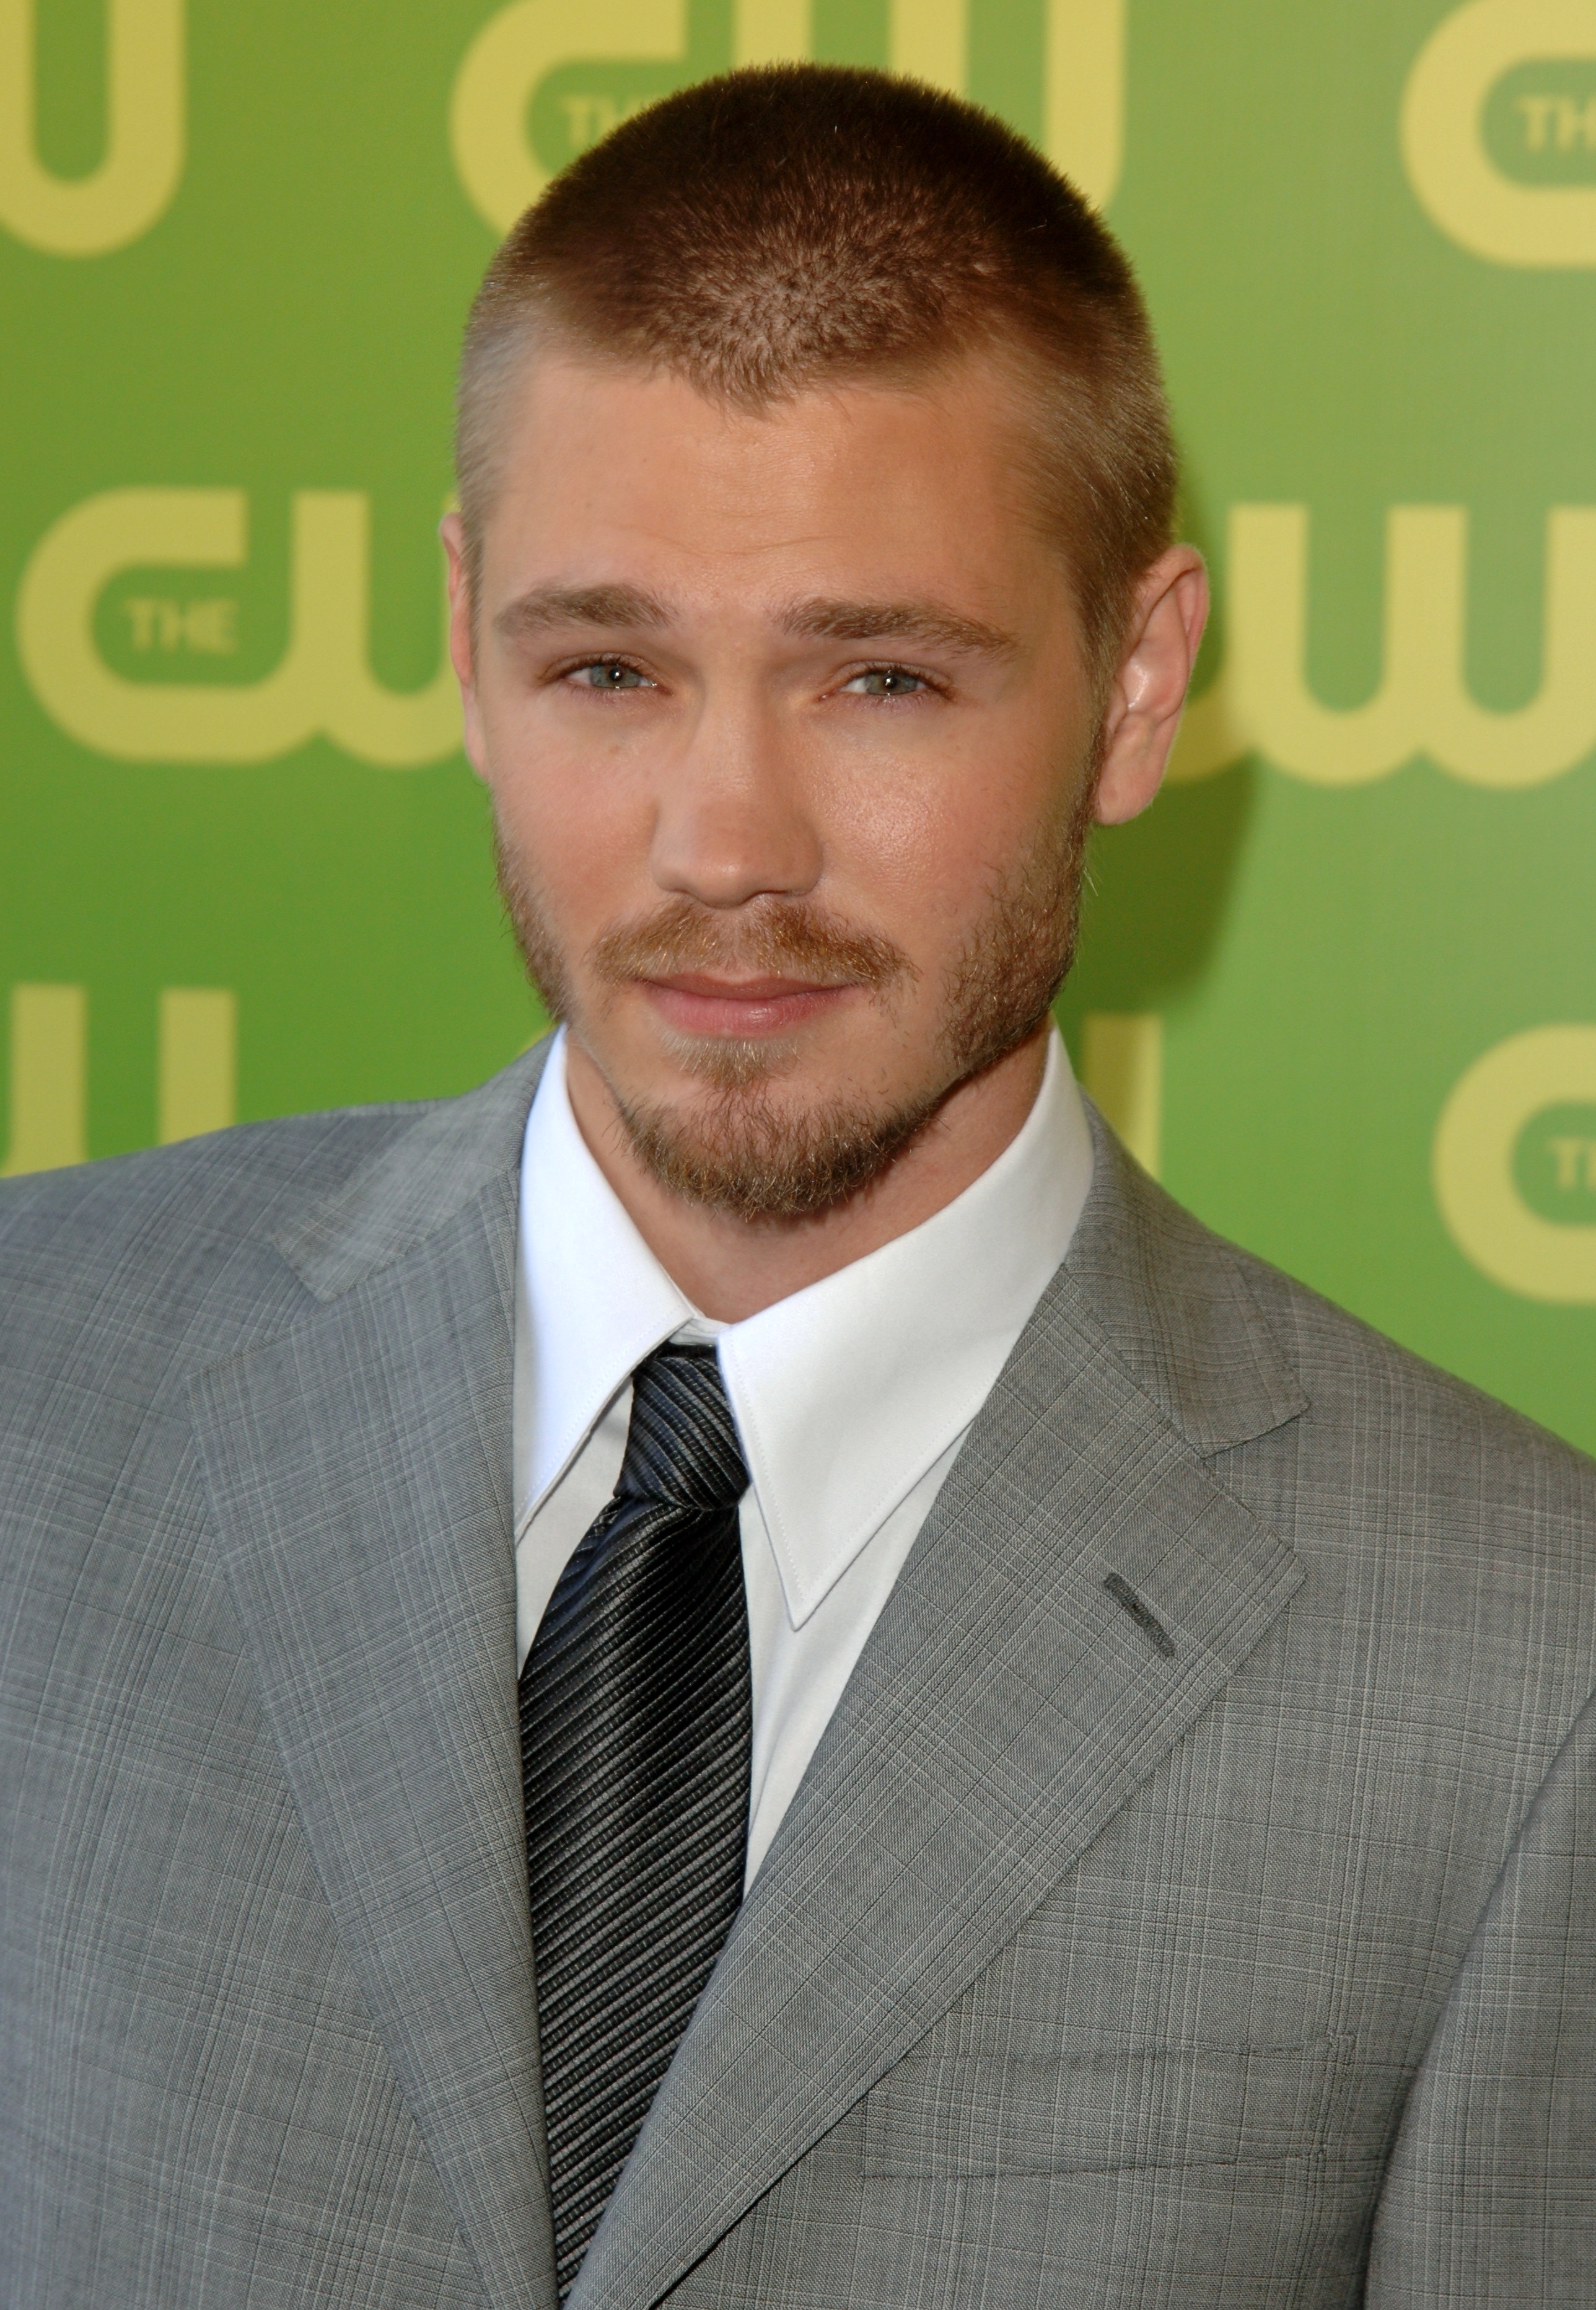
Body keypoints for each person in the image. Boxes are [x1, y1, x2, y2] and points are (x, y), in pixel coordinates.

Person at [2, 62, 1593, 2310]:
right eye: (611, 668)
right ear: (466, 640)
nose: (725, 845)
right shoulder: (34, 1392)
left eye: (880, 677)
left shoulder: (1523, 1673)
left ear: (1139, 684)